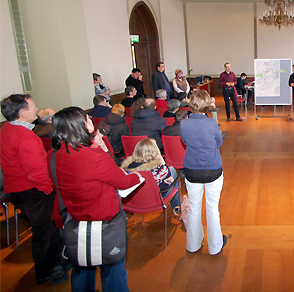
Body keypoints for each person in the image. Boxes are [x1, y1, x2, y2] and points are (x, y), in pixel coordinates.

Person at [49, 106, 143, 291]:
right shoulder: (92, 156)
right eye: (88, 119)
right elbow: (122, 181)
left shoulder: (55, 154)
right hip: (103, 220)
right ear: (83, 125)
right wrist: (137, 176)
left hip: (75, 218)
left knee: (82, 268)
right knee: (113, 268)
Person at [0, 94, 68, 285]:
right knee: (45, 230)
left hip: (15, 188)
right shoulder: (25, 137)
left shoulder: (6, 129)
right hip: (32, 190)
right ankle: (48, 269)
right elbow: (35, 173)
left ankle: (55, 262)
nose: (36, 110)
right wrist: (49, 191)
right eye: (33, 107)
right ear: (22, 112)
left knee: (45, 229)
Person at [180, 90, 227, 255]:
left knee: (194, 208)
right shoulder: (211, 123)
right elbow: (219, 142)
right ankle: (215, 246)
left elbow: (185, 142)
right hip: (212, 169)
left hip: (192, 171)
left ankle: (193, 245)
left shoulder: (184, 124)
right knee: (212, 208)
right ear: (207, 105)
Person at [121, 138, 180, 214]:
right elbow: (167, 172)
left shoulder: (128, 168)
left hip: (135, 200)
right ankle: (177, 206)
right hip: (156, 198)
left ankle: (178, 205)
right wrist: (159, 157)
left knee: (169, 174)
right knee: (172, 172)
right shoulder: (156, 168)